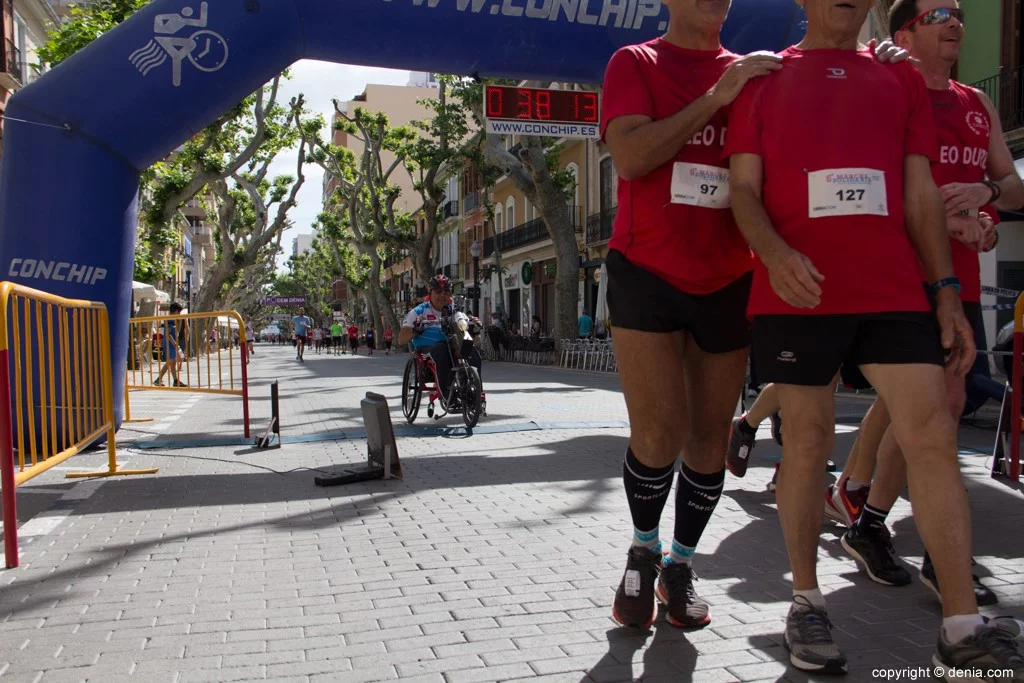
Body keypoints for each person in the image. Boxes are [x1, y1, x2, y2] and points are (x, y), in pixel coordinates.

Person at [726, 0, 1021, 677]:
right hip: (798, 287)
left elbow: (919, 191)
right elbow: (744, 189)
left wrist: (945, 290)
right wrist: (773, 254)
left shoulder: (900, 79)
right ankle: (805, 602)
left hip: (892, 289)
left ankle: (960, 625)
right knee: (805, 439)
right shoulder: (763, 79)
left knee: (933, 434)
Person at [600, 0, 792, 632]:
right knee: (657, 433)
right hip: (646, 269)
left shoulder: (756, 74)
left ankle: (680, 566)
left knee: (708, 437)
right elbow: (630, 158)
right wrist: (716, 97)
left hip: (728, 276)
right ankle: (642, 550)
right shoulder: (636, 62)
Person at [827, 0, 1024, 613]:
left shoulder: (975, 102)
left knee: (932, 410)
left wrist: (987, 207)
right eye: (939, 12)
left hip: (956, 278)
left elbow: (1013, 185)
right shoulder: (886, 87)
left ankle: (865, 517)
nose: (956, 22)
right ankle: (931, 552)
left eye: (960, 12)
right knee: (933, 410)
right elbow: (854, 177)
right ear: (905, 30)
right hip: (898, 276)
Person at [398, 275, 483, 405]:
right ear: (430, 293)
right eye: (438, 292)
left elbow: (477, 340)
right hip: (428, 349)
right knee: (441, 350)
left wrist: (475, 329)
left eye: (446, 292)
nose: (442, 296)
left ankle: (474, 392)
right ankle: (447, 396)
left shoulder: (455, 311)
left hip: (452, 346)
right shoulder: (419, 311)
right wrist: (416, 329)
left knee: (472, 351)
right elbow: (401, 339)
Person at [154, 302, 187, 387]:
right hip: (169, 344)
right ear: (176, 311)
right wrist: (175, 344)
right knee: (171, 362)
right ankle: (169, 380)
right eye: (179, 312)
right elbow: (168, 335)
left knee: (172, 363)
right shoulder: (169, 320)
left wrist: (179, 321)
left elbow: (177, 332)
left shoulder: (174, 320)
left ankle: (173, 380)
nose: (179, 314)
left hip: (172, 343)